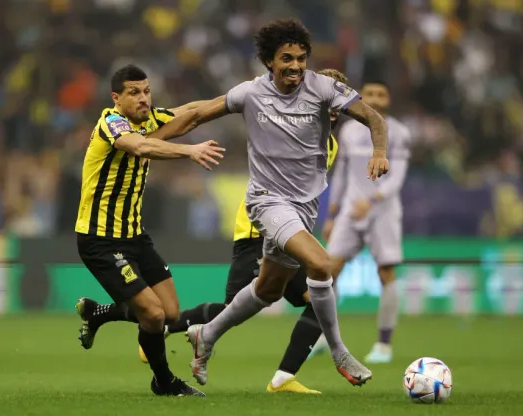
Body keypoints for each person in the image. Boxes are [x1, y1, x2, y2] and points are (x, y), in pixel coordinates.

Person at [146, 18, 390, 387]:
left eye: (301, 58)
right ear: (269, 61)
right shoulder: (250, 93)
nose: (295, 65)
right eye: (286, 58)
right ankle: (339, 352)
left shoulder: (323, 90)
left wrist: (379, 151)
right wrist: (151, 142)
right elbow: (197, 114)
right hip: (266, 202)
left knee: (267, 290)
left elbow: (371, 116)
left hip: (302, 210)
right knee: (322, 266)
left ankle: (205, 335)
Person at [135, 68, 351, 394]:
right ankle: (165, 326)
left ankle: (283, 378)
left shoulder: (329, 144)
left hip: (289, 230)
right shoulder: (291, 126)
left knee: (319, 297)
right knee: (234, 306)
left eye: (337, 104)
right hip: (259, 226)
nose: (331, 109)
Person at [73, 64, 224, 397]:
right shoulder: (111, 123)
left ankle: (98, 314)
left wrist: (240, 97)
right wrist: (189, 150)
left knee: (169, 314)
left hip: (134, 237)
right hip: (100, 239)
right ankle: (164, 382)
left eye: (146, 91)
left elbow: (193, 112)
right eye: (134, 93)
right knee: (153, 314)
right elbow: (140, 147)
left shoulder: (151, 118)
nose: (143, 99)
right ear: (116, 98)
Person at [310, 80, 411, 364]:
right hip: (351, 211)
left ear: (388, 100)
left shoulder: (399, 133)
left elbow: (398, 177)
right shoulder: (350, 130)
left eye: (381, 94)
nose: (375, 99)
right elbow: (340, 175)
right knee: (328, 272)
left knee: (386, 273)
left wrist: (374, 199)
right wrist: (332, 214)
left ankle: (384, 344)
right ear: (360, 97)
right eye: (370, 94)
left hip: (383, 212)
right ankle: (322, 337)